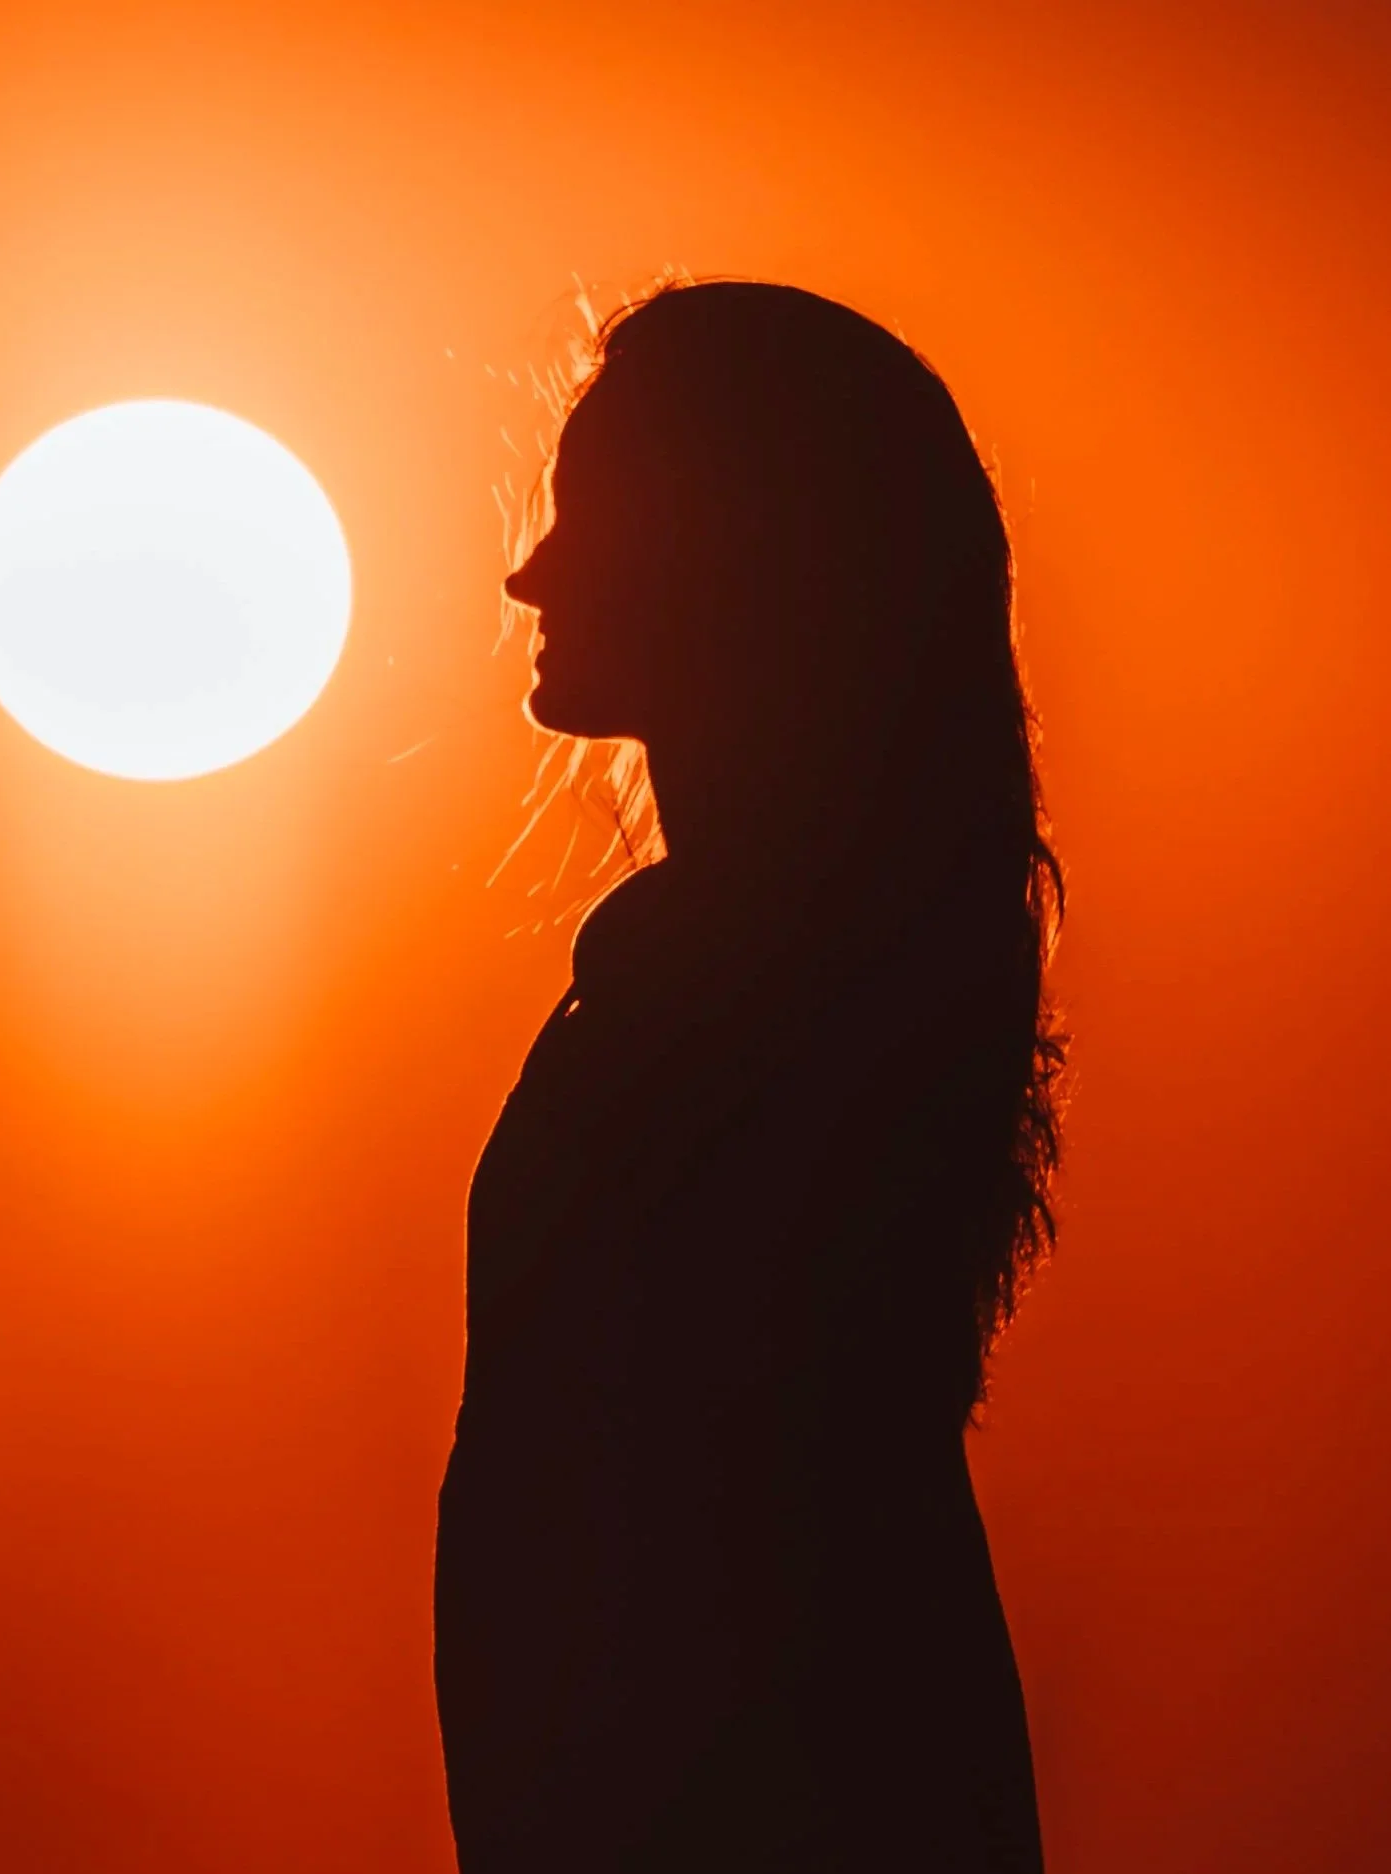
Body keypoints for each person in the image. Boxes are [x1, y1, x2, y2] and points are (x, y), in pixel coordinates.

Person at [435, 282, 1062, 1871]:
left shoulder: (749, 1010)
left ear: (747, 568)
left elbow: (687, 1554)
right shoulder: (750, 977)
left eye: (590, 520)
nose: (531, 570)